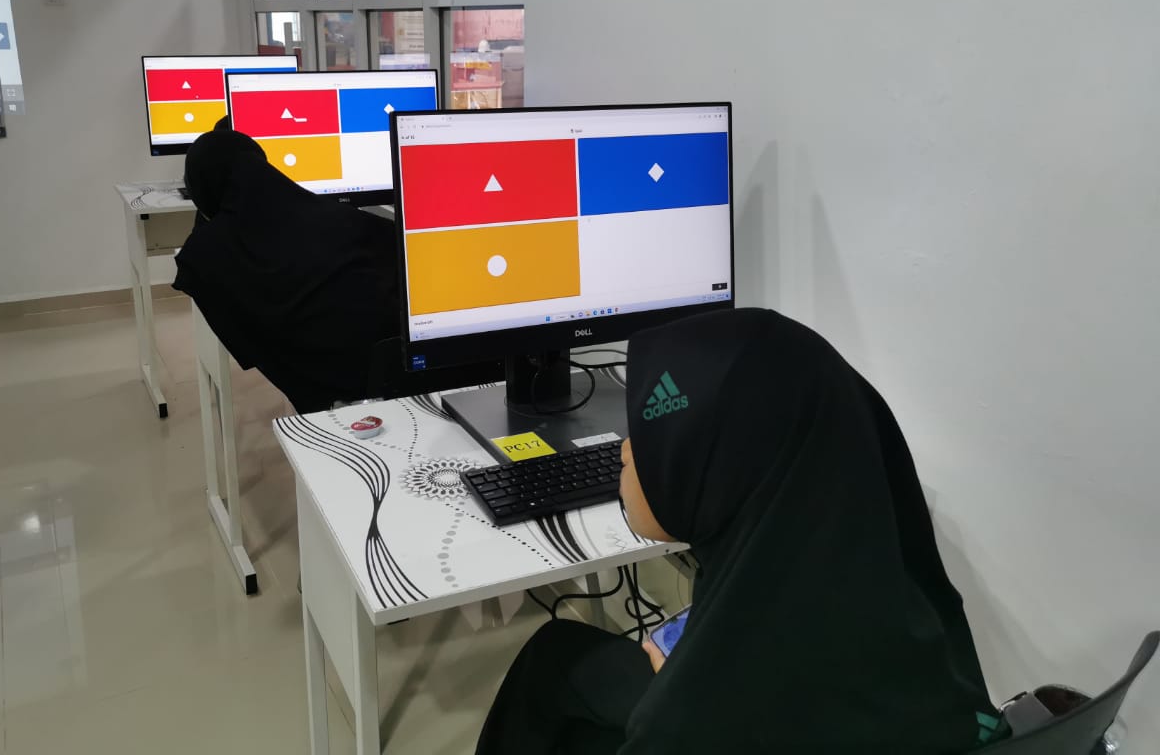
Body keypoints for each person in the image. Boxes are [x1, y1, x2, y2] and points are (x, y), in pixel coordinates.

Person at [476, 308, 997, 754]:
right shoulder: (910, 612)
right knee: (556, 655)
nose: (626, 452)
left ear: (719, 473)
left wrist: (685, 685)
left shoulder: (682, 726)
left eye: (652, 437)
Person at [173, 129, 399, 412]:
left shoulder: (204, 256)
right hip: (401, 363)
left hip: (331, 387)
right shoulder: (345, 217)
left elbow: (247, 346)